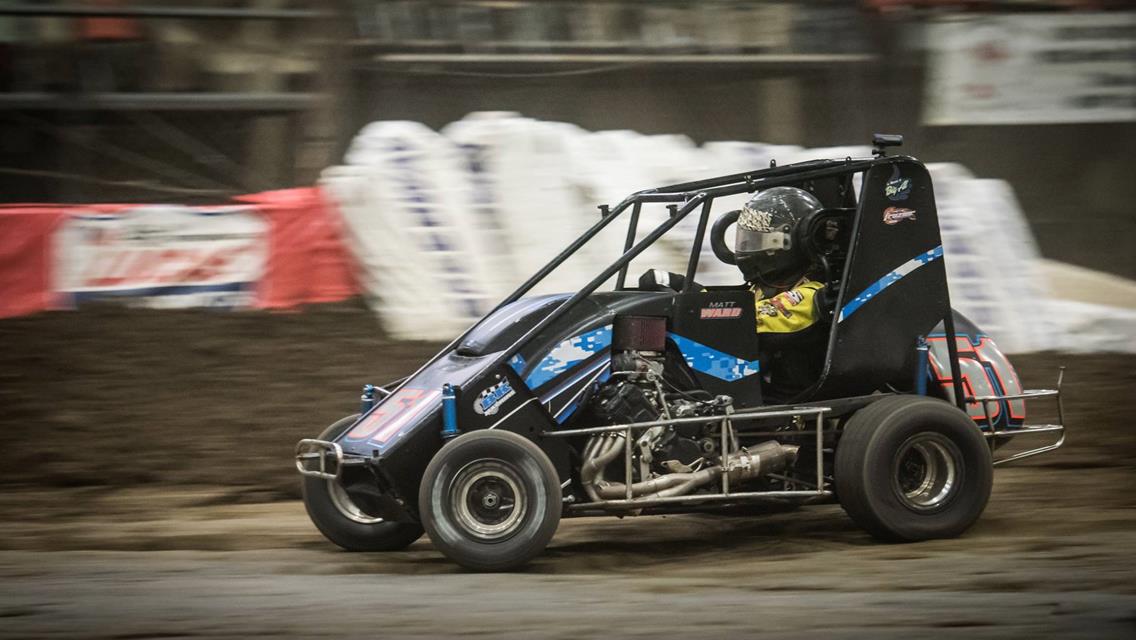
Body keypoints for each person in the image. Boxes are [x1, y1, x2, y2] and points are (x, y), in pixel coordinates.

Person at [733, 186, 831, 398]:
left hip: (793, 400)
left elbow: (748, 318)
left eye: (757, 240)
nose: (748, 246)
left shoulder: (813, 293)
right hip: (756, 395)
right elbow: (724, 303)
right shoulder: (762, 287)